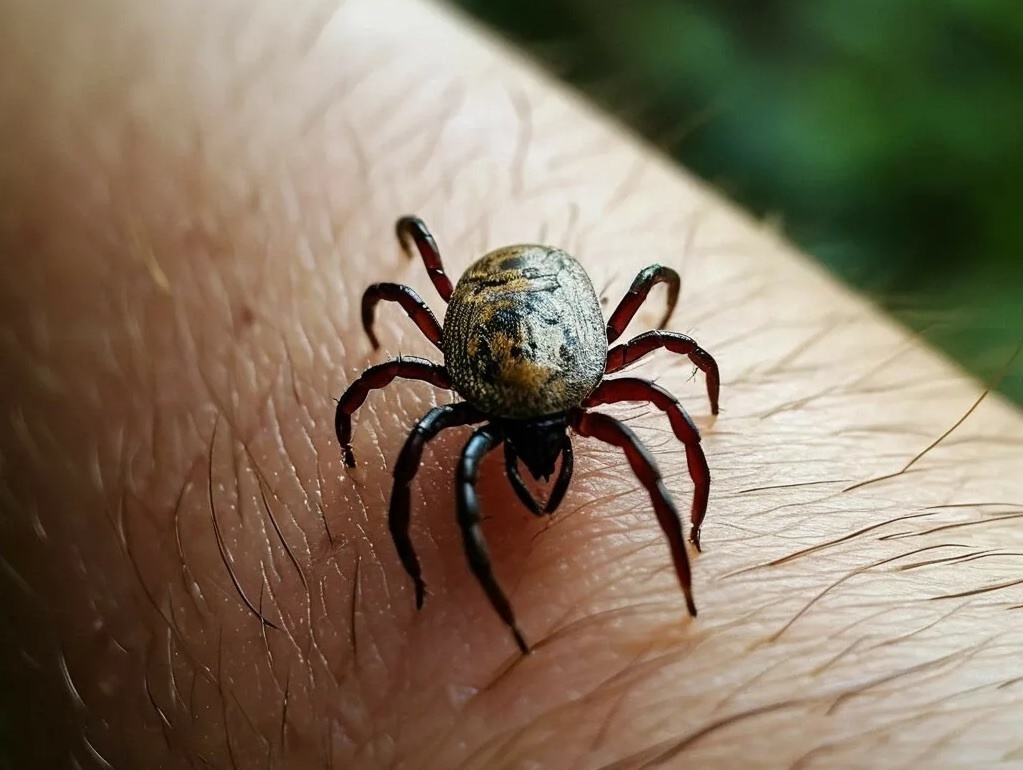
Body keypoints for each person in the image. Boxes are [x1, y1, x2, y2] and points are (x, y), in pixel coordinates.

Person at [2, 0, 1022, 767]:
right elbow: (668, 371)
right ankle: (539, 590)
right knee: (508, 465)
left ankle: (673, 571)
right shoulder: (562, 405)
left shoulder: (533, 402)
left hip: (523, 337)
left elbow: (422, 353)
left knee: (462, 463)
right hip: (523, 337)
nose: (545, 458)